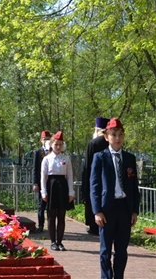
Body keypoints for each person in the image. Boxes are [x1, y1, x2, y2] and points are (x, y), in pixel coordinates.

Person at [90, 118, 140, 279]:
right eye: (113, 135)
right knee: (105, 250)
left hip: (124, 209)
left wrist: (134, 210)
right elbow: (94, 186)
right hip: (107, 210)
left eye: (120, 135)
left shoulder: (129, 158)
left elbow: (133, 186)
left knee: (121, 250)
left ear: (123, 136)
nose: (117, 138)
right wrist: (97, 211)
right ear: (106, 137)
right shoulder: (100, 157)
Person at [41, 131, 74, 251]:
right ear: (51, 144)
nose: (58, 147)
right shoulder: (47, 159)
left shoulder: (66, 158)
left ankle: (60, 241)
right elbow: (43, 176)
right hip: (51, 186)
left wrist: (71, 192)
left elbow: (70, 176)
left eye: (60, 144)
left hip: (63, 187)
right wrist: (43, 192)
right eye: (56, 144)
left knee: (61, 215)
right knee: (51, 215)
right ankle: (52, 242)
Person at [82, 116, 109, 235]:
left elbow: (87, 165)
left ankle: (94, 227)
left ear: (97, 130)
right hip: (107, 179)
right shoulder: (111, 142)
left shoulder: (93, 143)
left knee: (93, 201)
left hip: (94, 178)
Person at [32, 130, 51, 233]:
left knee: (51, 206)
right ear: (41, 140)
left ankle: (50, 225)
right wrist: (35, 183)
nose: (46, 141)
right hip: (41, 182)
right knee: (41, 205)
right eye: (44, 139)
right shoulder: (38, 152)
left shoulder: (53, 151)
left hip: (51, 182)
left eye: (48, 139)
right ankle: (41, 225)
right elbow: (35, 168)